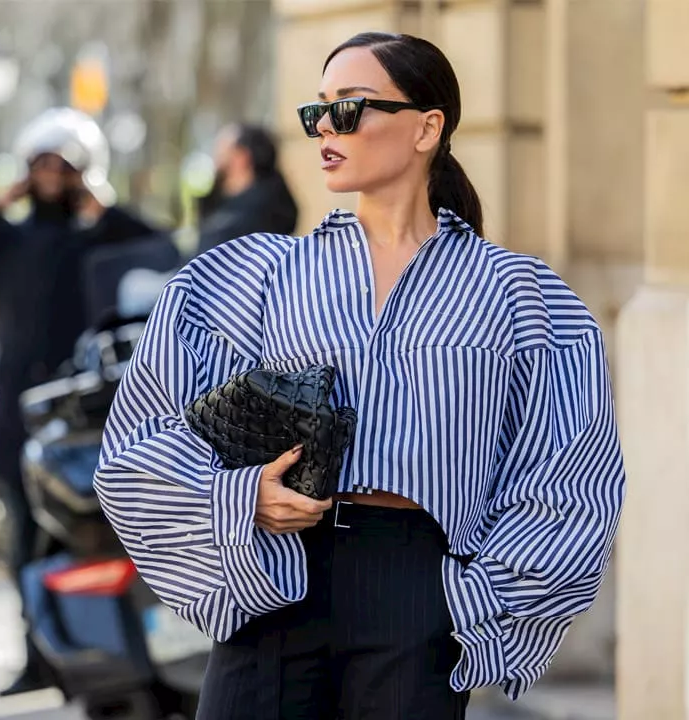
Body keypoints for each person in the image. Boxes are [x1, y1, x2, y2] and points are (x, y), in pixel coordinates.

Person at [94, 32, 626, 719]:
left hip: (417, 592)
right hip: (275, 579)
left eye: (349, 109)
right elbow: (139, 440)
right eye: (316, 113)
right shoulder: (250, 277)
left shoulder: (518, 295)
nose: (325, 130)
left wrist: (472, 602)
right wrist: (238, 498)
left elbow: (572, 471)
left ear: (426, 128)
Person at [0, 108, 167, 697]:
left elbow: (160, 251)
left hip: (95, 409)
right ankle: (38, 658)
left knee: (105, 537)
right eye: (41, 163)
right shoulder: (6, 234)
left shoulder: (103, 234)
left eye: (65, 164)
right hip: (21, 413)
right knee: (26, 540)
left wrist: (99, 203)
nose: (52, 174)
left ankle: (121, 654)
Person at [195, 123, 300, 254]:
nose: (216, 154)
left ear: (242, 156)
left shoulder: (263, 209)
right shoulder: (216, 203)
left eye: (223, 148)